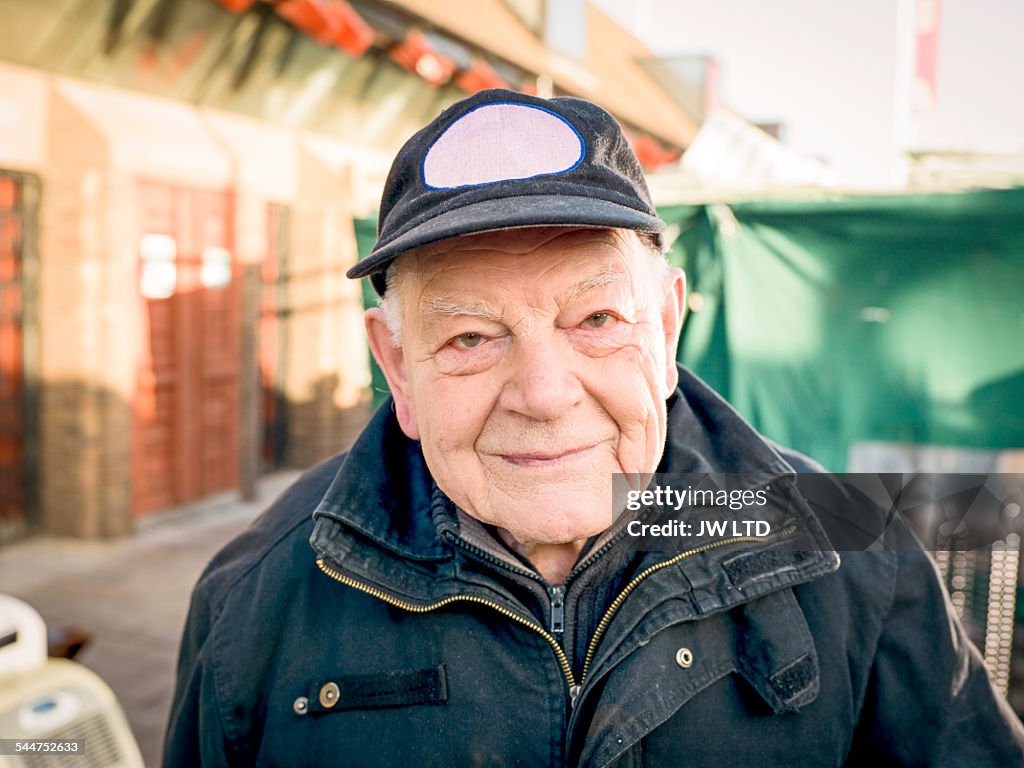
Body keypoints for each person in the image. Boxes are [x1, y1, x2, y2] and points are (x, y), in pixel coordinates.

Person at [164, 89, 1024, 767]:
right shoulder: (257, 602)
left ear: (668, 324)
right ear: (397, 366)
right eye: (470, 336)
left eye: (598, 320)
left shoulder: (848, 546)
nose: (543, 394)